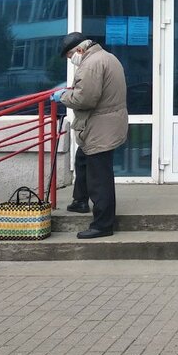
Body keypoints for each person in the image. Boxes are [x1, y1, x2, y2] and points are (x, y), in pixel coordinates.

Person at [51, 32, 128, 239]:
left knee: (99, 177)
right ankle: (80, 200)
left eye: (69, 57)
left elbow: (85, 99)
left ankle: (102, 225)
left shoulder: (91, 64)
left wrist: (63, 96)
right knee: (83, 160)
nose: (71, 61)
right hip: (104, 124)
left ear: (79, 50)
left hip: (100, 126)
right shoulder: (107, 57)